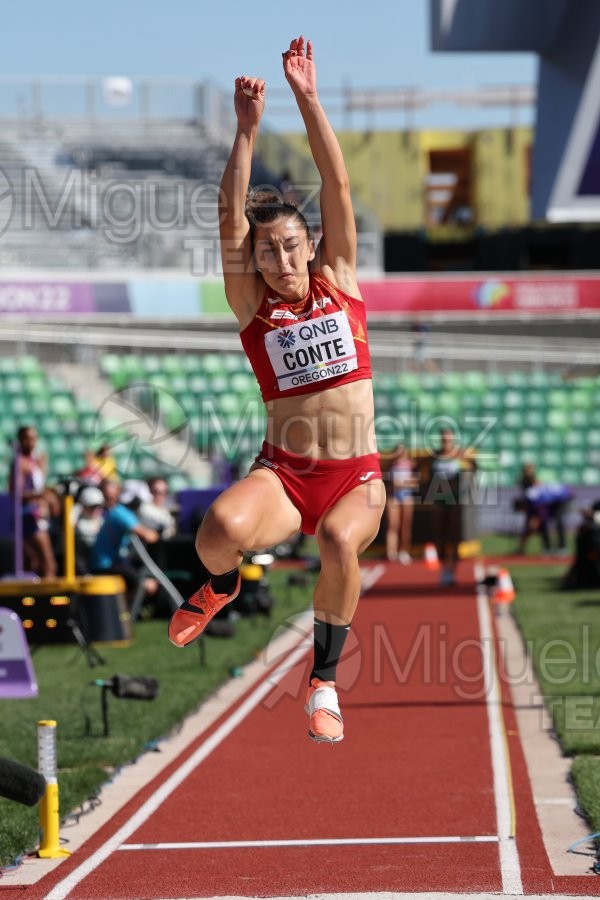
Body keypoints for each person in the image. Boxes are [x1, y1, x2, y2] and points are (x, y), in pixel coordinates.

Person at [168, 36, 386, 744]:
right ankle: (225, 585)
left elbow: (338, 182)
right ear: (256, 263)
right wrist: (245, 131)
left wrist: (307, 98)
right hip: (286, 475)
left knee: (338, 544)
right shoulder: (253, 305)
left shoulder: (341, 280)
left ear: (311, 243)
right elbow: (229, 221)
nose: (283, 259)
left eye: (293, 245)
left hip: (355, 476)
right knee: (218, 534)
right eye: (269, 252)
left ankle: (323, 680)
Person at [89, 479, 160, 604]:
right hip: (105, 566)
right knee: (147, 584)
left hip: (111, 563)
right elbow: (148, 536)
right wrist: (158, 533)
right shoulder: (121, 513)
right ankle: (124, 615)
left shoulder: (118, 511)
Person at [427, 427, 476, 586]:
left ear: (453, 439)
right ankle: (444, 567)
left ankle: (452, 568)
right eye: (443, 438)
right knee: (440, 536)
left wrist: (468, 461)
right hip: (439, 500)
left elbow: (474, 469)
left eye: (448, 438)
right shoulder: (435, 455)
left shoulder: (460, 454)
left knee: (454, 535)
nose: (446, 441)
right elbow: (428, 477)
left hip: (455, 500)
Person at [8, 425, 58, 578]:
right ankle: (50, 598)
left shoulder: (34, 461)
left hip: (37, 515)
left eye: (34, 439)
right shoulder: (20, 462)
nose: (31, 443)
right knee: (48, 563)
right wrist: (42, 496)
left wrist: (42, 470)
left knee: (34, 562)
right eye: (27, 439)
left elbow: (37, 485)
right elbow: (16, 493)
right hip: (28, 516)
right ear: (21, 440)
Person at [515, 464, 572, 555]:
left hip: (562, 499)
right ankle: (548, 547)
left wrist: (535, 521)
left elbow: (540, 513)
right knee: (543, 524)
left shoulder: (533, 498)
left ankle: (562, 547)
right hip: (553, 500)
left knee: (557, 521)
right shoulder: (529, 491)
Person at [385, 444, 417, 564]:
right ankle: (391, 552)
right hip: (394, 497)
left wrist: (402, 483)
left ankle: (404, 551)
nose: (399, 454)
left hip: (406, 496)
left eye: (401, 451)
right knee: (393, 525)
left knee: (405, 526)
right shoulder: (390, 465)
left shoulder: (411, 464)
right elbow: (387, 482)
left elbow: (415, 481)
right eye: (397, 451)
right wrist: (393, 485)